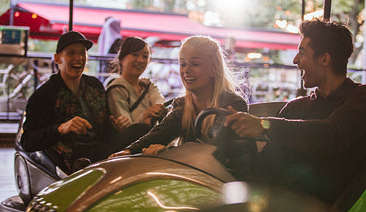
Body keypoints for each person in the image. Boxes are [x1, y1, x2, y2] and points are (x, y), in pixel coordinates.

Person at [224, 19, 366, 206]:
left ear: (324, 59)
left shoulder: (364, 98)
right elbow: (268, 166)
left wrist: (262, 124)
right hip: (281, 204)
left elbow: (331, 135)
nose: (295, 61)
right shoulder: (296, 108)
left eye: (302, 53)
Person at [109, 35, 247, 158]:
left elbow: (217, 152)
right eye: (183, 64)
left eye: (195, 64)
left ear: (214, 69)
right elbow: (160, 134)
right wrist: (128, 152)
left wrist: (169, 152)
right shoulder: (181, 105)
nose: (186, 70)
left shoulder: (233, 104)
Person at [21, 31, 113, 174]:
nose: (78, 58)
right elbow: (28, 141)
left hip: (101, 152)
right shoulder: (45, 94)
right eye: (71, 53)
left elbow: (106, 127)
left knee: (137, 131)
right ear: (57, 59)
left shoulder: (95, 86)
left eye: (82, 53)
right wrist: (61, 128)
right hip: (69, 159)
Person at [106, 37, 167, 150]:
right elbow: (128, 130)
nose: (140, 60)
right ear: (121, 58)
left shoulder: (147, 84)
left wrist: (155, 111)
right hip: (128, 148)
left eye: (145, 56)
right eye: (135, 54)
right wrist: (145, 116)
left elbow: (160, 105)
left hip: (150, 143)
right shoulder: (116, 89)